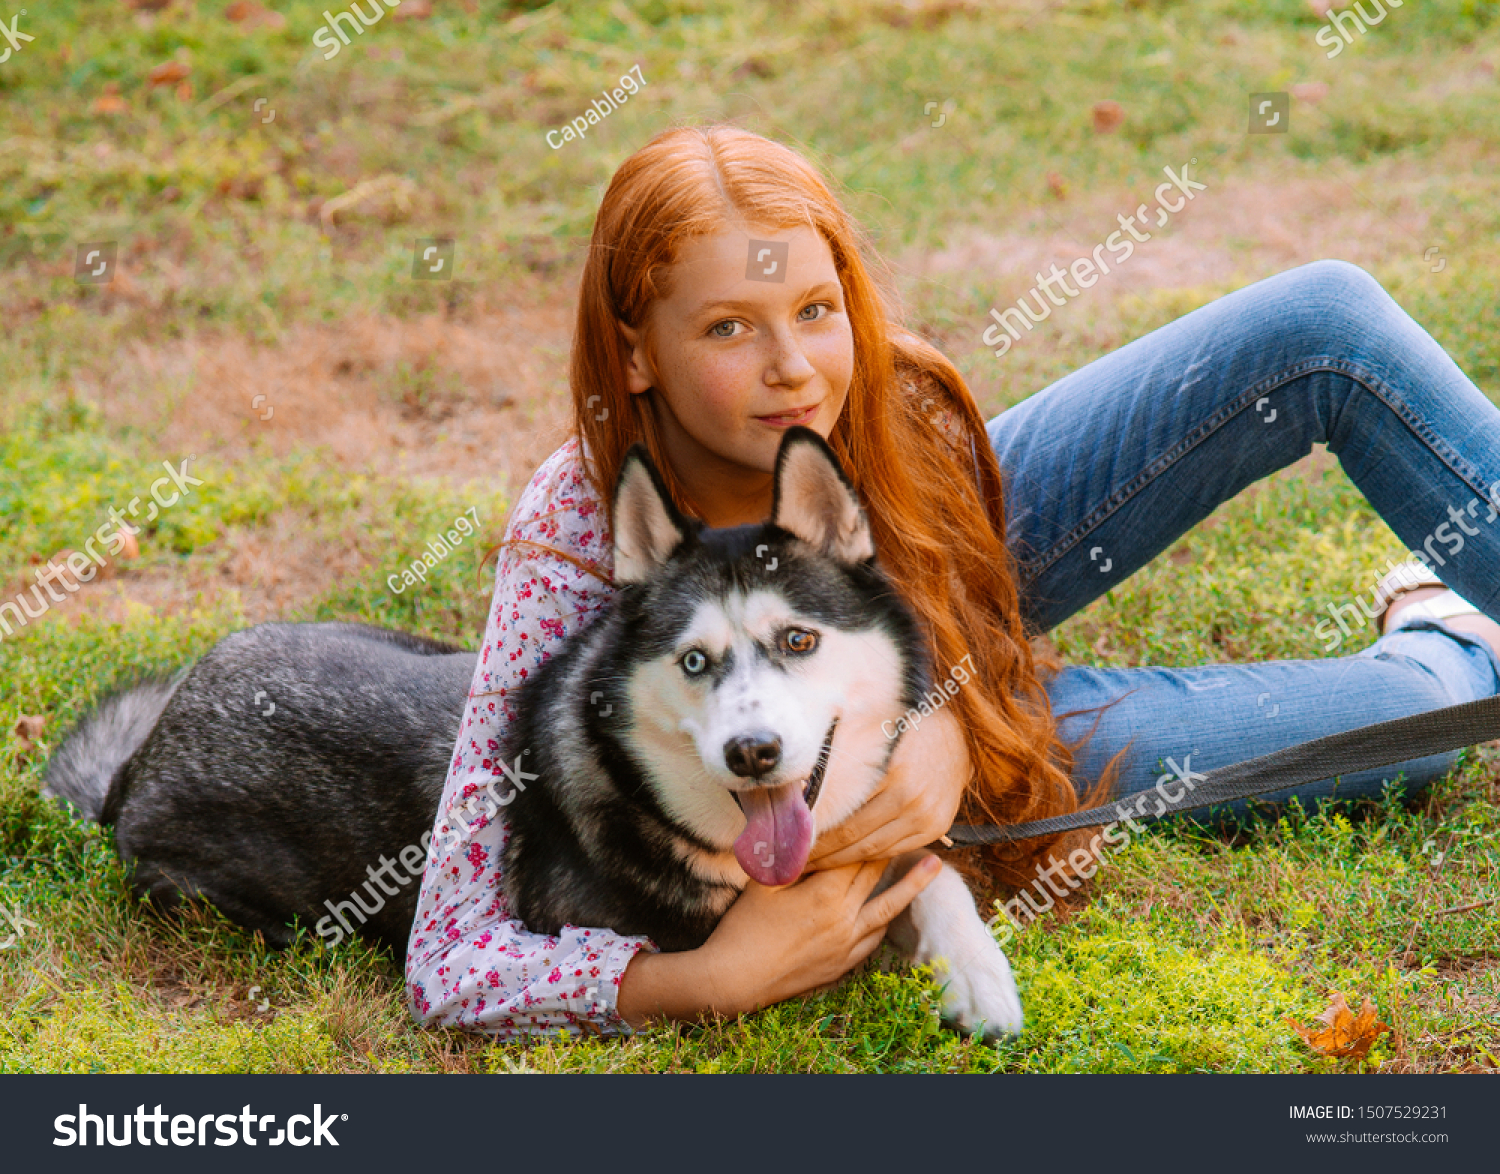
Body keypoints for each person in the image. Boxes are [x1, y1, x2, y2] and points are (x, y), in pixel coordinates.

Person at [405, 125, 1500, 1037]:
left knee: (1324, 322)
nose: (793, 367)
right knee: (1420, 719)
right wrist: (703, 983)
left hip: (936, 641)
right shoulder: (575, 521)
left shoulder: (884, 404)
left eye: (816, 311)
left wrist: (944, 719)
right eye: (730, 327)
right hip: (810, 756)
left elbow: (937, 619)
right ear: (637, 350)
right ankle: (1441, 627)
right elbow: (451, 955)